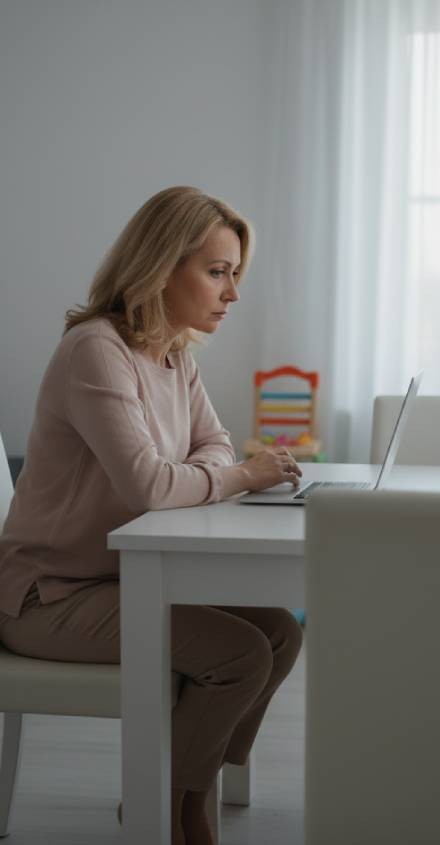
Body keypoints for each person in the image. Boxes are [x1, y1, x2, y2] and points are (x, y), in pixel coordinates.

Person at [0, 186, 304, 845]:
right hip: (48, 597)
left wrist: (220, 470)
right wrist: (242, 476)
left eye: (235, 274)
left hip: (120, 580)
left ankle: (180, 785)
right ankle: (167, 801)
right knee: (241, 654)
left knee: (280, 631)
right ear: (163, 265)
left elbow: (215, 443)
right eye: (218, 271)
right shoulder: (96, 350)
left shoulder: (174, 355)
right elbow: (149, 485)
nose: (232, 293)